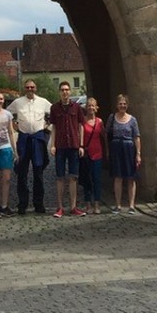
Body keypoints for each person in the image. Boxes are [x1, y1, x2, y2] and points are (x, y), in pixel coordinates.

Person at [8, 78, 52, 214]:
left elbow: (54, 113)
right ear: (24, 89)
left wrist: (48, 126)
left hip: (38, 138)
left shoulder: (43, 102)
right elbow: (8, 114)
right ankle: (23, 204)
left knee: (38, 172)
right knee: (22, 172)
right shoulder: (18, 102)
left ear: (36, 88)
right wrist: (13, 124)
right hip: (24, 138)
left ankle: (39, 203)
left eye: (32, 87)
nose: (30, 90)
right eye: (27, 87)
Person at [49, 81, 86, 217]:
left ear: (70, 92)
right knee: (60, 177)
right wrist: (52, 145)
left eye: (67, 90)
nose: (65, 92)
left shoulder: (76, 107)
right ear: (60, 92)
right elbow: (53, 127)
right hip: (60, 146)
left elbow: (81, 126)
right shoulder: (55, 108)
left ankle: (73, 207)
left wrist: (81, 145)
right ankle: (60, 207)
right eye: (62, 90)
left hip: (74, 145)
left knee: (73, 177)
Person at [106, 94, 142, 212]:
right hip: (116, 148)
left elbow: (136, 137)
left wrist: (138, 153)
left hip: (129, 148)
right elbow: (106, 134)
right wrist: (107, 150)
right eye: (120, 104)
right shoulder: (112, 118)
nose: (123, 106)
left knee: (131, 177)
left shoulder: (133, 120)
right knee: (118, 177)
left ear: (127, 105)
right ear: (117, 105)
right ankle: (118, 204)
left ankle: (131, 205)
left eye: (124, 104)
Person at [78, 96, 106, 214]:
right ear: (86, 107)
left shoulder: (100, 122)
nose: (90, 108)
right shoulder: (82, 121)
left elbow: (104, 136)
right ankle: (88, 204)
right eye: (89, 105)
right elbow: (80, 137)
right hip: (86, 154)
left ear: (96, 108)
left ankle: (97, 204)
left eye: (92, 106)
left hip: (97, 153)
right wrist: (80, 148)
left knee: (97, 179)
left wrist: (107, 151)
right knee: (87, 180)